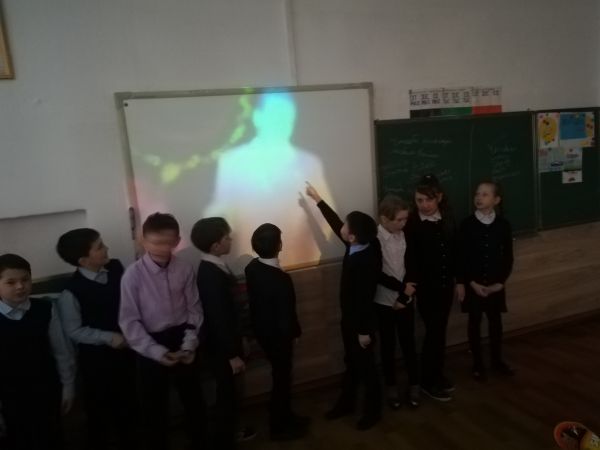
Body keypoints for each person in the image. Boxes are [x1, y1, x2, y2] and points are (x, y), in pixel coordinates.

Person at [119, 213, 205, 450]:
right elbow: (129, 322)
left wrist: (189, 344)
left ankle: (199, 440)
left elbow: (194, 309)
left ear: (177, 241)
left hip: (183, 336)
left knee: (193, 397)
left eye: (169, 242)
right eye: (156, 242)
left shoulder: (184, 268)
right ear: (143, 240)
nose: (163, 248)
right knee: (153, 405)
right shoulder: (133, 275)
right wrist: (156, 352)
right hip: (150, 342)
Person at [305, 182, 382, 430]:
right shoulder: (358, 245)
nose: (342, 227)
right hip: (350, 322)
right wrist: (318, 200)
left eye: (346, 226)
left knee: (367, 368)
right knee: (352, 363)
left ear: (352, 236)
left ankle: (373, 411)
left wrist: (363, 331)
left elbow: (365, 299)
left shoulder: (364, 260)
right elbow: (335, 222)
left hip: (361, 326)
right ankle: (347, 403)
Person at [56, 228, 138, 450]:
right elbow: (74, 330)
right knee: (100, 416)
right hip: (98, 364)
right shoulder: (71, 292)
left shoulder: (116, 268)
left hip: (128, 355)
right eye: (100, 247)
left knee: (130, 410)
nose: (106, 248)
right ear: (83, 260)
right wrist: (109, 337)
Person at [190, 217, 255, 449]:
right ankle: (225, 439)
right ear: (215, 245)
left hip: (228, 344)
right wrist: (231, 354)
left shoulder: (215, 265)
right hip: (222, 349)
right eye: (227, 237)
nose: (231, 239)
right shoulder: (209, 274)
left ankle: (230, 433)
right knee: (227, 394)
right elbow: (218, 318)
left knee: (230, 392)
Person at [0, 253, 75, 450]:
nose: (20, 286)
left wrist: (68, 386)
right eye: (11, 282)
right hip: (10, 395)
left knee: (51, 437)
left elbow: (62, 351)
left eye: (25, 279)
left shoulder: (45, 309)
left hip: (46, 388)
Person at [245, 223, 309, 440]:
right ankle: (279, 425)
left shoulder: (252, 267)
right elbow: (286, 313)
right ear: (279, 245)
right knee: (282, 378)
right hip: (279, 337)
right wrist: (294, 333)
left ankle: (284, 416)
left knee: (280, 376)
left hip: (263, 333)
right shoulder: (281, 279)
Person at [404, 174, 459, 402]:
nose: (424, 205)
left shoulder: (446, 218)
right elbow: (410, 259)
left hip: (446, 286)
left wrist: (459, 281)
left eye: (429, 200)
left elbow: (454, 251)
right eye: (419, 200)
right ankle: (427, 380)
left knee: (439, 332)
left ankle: (437, 373)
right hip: (426, 289)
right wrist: (412, 287)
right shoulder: (412, 224)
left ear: (439, 198)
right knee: (433, 333)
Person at [457, 181, 514, 381]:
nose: (479, 198)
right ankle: (478, 364)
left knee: (495, 322)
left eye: (485, 194)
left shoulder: (503, 225)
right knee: (474, 322)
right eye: (477, 194)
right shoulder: (467, 224)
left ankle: (497, 361)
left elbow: (508, 257)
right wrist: (471, 282)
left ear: (496, 200)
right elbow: (462, 257)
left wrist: (500, 282)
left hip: (495, 284)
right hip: (474, 284)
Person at [374, 195, 420, 409]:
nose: (404, 223)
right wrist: (401, 289)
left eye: (405, 219)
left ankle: (414, 383)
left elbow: (413, 265)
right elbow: (377, 273)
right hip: (383, 302)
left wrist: (405, 296)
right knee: (387, 346)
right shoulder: (374, 239)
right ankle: (391, 386)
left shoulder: (406, 234)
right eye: (399, 220)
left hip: (405, 300)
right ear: (384, 219)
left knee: (409, 343)